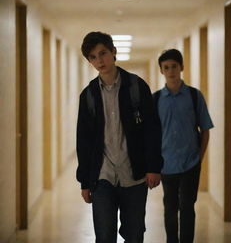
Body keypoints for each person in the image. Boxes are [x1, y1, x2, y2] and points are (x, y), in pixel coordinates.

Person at [76, 31, 163, 243]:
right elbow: (84, 141)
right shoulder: (88, 96)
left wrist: (154, 167)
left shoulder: (136, 86)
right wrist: (85, 182)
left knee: (134, 235)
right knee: (104, 236)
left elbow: (152, 129)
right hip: (102, 176)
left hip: (134, 174)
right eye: (93, 57)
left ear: (114, 52)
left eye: (103, 53)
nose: (99, 61)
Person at [153, 49, 214, 243]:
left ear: (181, 67)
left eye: (174, 66)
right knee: (170, 207)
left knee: (187, 207)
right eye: (166, 67)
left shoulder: (195, 96)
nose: (171, 71)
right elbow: (151, 135)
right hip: (166, 164)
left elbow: (205, 129)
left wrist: (199, 158)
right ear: (161, 71)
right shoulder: (155, 100)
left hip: (191, 163)